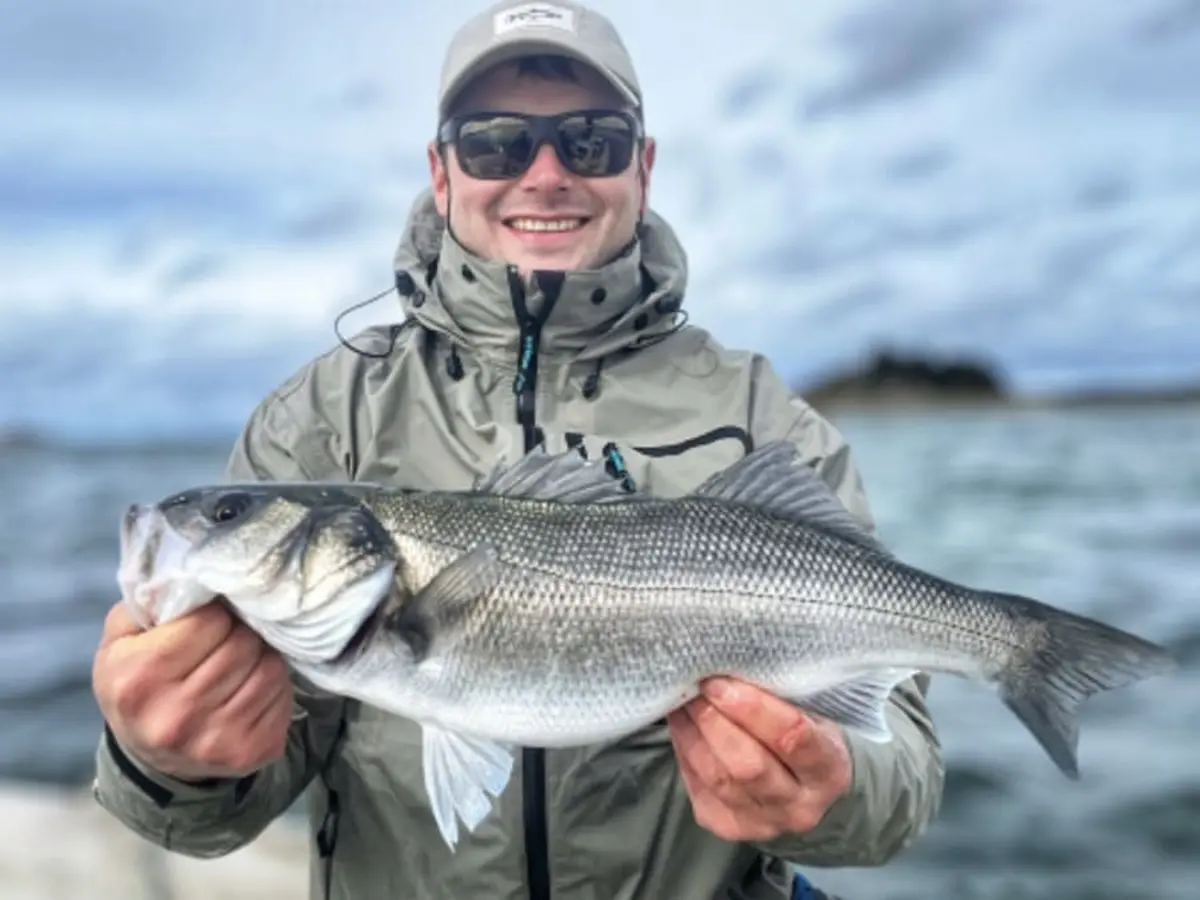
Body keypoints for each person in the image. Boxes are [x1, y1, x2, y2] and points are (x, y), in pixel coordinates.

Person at [90, 1, 944, 897]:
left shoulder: (764, 417)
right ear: (442, 171)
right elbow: (218, 814)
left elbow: (906, 775)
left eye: (590, 141)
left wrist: (834, 787)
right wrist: (169, 761)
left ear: (644, 167)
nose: (545, 175)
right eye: (495, 143)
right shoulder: (317, 422)